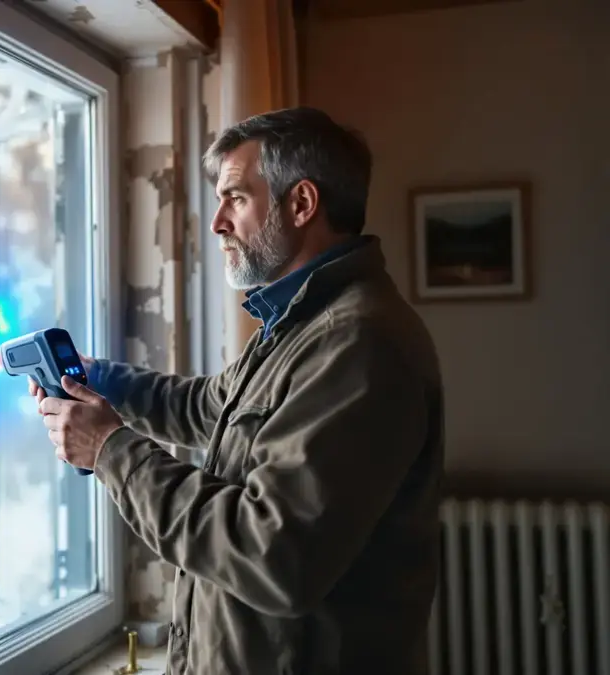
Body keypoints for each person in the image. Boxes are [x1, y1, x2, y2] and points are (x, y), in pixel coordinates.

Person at [31, 107, 443, 675]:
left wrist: (109, 450)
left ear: (301, 204)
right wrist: (98, 379)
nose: (218, 222)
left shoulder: (356, 343)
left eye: (236, 198)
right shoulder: (297, 324)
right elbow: (207, 407)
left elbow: (271, 554)